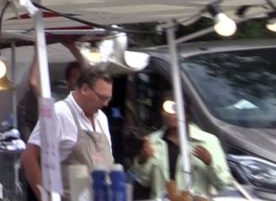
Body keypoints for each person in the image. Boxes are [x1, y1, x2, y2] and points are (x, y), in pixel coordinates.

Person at [22, 67, 114, 201]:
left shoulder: (102, 119)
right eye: (102, 98)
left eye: (108, 99)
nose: (106, 104)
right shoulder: (58, 113)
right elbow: (29, 157)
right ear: (85, 89)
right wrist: (46, 198)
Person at [131, 93, 232, 198]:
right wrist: (143, 160)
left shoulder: (208, 141)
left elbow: (224, 183)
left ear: (186, 113)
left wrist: (210, 163)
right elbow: (143, 181)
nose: (171, 114)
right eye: (166, 109)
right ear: (161, 113)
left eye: (176, 107)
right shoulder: (152, 141)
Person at [18, 41, 86, 140]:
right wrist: (39, 48)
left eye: (81, 78)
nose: (78, 82)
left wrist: (73, 48)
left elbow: (90, 73)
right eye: (74, 78)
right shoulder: (58, 101)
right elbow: (34, 82)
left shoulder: (87, 102)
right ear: (68, 81)